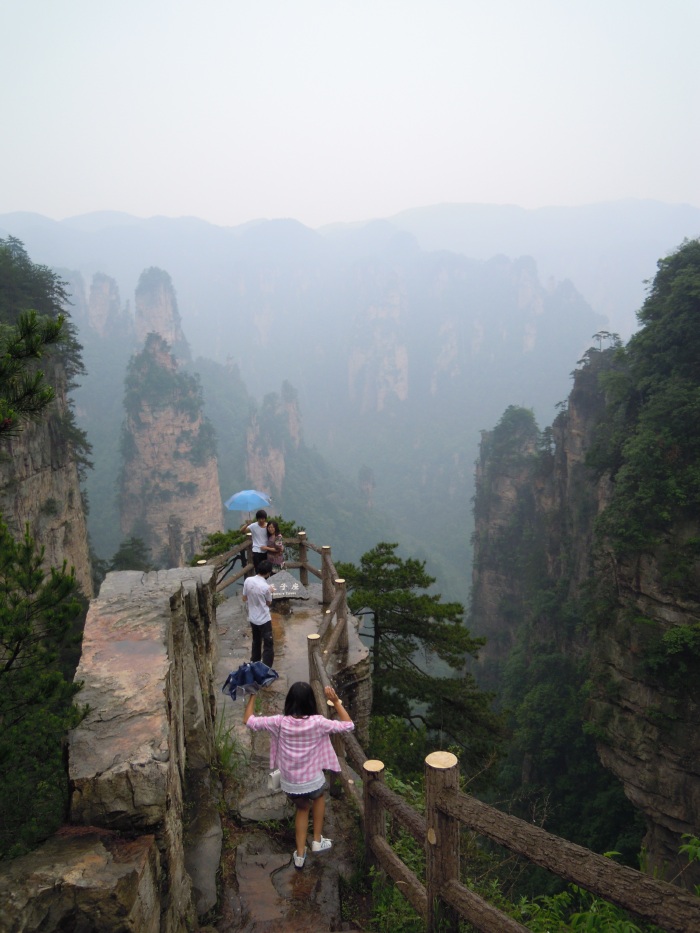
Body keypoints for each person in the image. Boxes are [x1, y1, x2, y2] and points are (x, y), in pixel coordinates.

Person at [244, 682, 354, 869]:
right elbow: (348, 725)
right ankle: (317, 841)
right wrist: (335, 701)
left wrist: (253, 695)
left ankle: (300, 855)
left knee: (302, 809)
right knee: (319, 797)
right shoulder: (318, 723)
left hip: (291, 784)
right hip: (313, 780)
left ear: (289, 702)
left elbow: (249, 720)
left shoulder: (279, 722)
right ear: (311, 703)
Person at [241, 558, 274, 668]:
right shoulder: (266, 587)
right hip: (264, 619)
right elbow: (268, 603)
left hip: (253, 618)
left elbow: (244, 598)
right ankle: (266, 668)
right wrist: (270, 591)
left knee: (256, 641)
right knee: (268, 644)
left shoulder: (248, 580)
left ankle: (255, 663)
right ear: (268, 573)